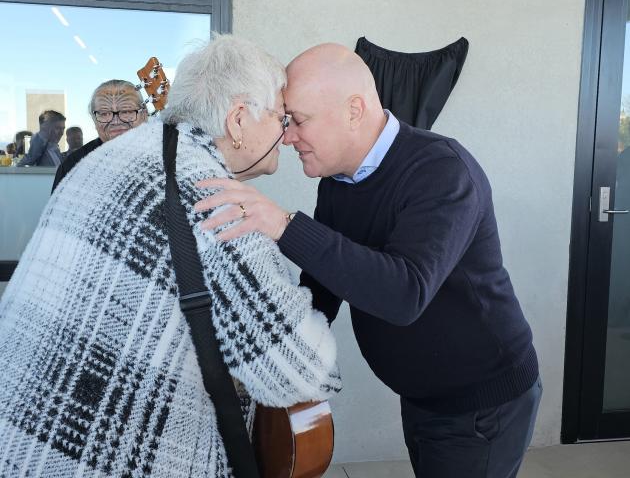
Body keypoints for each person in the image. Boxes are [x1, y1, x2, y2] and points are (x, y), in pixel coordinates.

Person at [196, 42, 541, 478]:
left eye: (298, 120)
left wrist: (283, 224)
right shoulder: (338, 179)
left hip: (481, 404)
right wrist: (263, 347)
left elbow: (404, 294)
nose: (287, 137)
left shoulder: (442, 170)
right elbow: (323, 286)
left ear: (354, 110)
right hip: (423, 394)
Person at [0, 35, 341, 476]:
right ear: (239, 120)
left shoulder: (110, 157)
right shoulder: (211, 198)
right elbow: (300, 372)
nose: (288, 134)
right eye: (281, 117)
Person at [52, 80, 148, 191]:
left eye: (126, 111)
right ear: (94, 120)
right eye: (104, 114)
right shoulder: (73, 166)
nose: (116, 121)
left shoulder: (164, 156)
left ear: (144, 114)